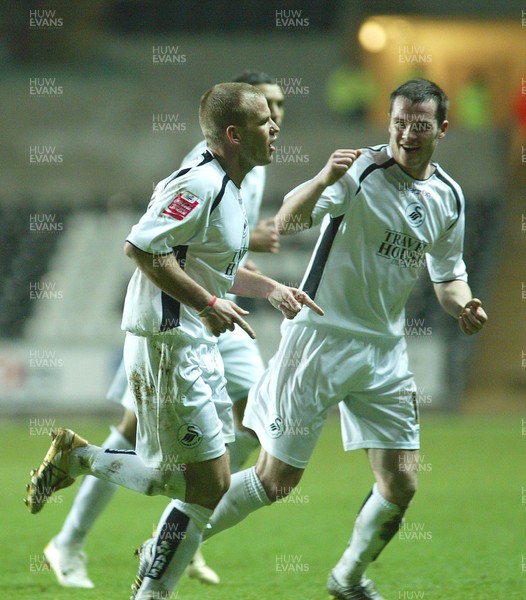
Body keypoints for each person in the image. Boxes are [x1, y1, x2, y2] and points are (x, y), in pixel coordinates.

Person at [160, 78, 486, 600]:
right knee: (275, 481)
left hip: (384, 352)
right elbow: (287, 220)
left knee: (402, 483)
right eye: (399, 122)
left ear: (441, 129)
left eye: (420, 124)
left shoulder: (449, 196)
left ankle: (348, 579)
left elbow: (448, 276)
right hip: (319, 340)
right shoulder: (361, 170)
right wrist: (322, 177)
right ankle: (168, 543)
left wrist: (463, 304)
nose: (407, 133)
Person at [26, 82, 322, 599]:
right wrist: (208, 305)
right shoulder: (201, 182)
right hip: (166, 343)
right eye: (263, 121)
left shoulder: (234, 186)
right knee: (195, 483)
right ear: (233, 134)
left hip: (195, 343)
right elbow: (143, 248)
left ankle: (147, 577)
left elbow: (211, 266)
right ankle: (83, 464)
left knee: (208, 482)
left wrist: (270, 288)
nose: (276, 127)